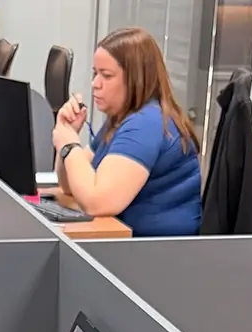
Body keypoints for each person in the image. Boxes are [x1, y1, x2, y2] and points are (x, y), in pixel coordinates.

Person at [52, 27, 202, 237]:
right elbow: (70, 186)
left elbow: (97, 202)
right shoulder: (121, 119)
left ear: (136, 79)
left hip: (155, 250)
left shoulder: (146, 123)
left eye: (106, 75)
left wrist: (69, 145)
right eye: (95, 73)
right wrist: (68, 136)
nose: (95, 84)